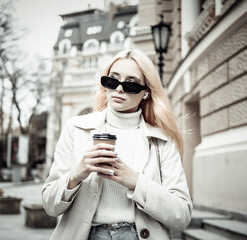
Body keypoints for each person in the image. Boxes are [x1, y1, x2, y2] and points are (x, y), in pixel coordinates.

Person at [42, 49, 192, 240]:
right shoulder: (76, 128)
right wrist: (77, 174)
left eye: (131, 84)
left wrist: (136, 182)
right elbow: (49, 205)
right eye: (112, 81)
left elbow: (182, 215)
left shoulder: (161, 141)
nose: (119, 89)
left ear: (146, 92)